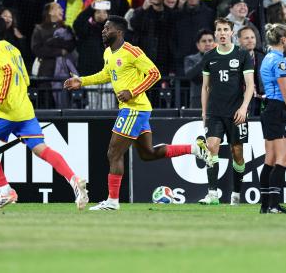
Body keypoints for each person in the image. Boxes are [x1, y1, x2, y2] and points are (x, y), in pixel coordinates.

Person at [63, 16, 210, 211]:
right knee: (147, 153)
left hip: (134, 108)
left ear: (119, 32)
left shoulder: (132, 51)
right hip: (136, 109)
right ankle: (194, 148)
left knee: (113, 153)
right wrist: (81, 81)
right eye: (104, 28)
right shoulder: (108, 52)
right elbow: (106, 74)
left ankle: (113, 202)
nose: (103, 31)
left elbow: (154, 74)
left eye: (107, 28)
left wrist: (132, 92)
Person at [0, 15, 88, 211]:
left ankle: (5, 191)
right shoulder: (13, 49)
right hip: (25, 109)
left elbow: (9, 72)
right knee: (41, 149)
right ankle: (73, 178)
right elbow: (24, 79)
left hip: (6, 111)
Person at [199, 18, 255, 206]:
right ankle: (212, 194)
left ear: (232, 33)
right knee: (211, 147)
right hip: (215, 112)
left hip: (236, 113)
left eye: (225, 29)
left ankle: (236, 194)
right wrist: (204, 113)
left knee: (237, 152)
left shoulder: (242, 55)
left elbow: (250, 84)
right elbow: (205, 88)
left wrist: (244, 107)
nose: (222, 33)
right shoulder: (209, 57)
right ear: (215, 33)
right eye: (219, 30)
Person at [259, 23, 286, 214]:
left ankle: (265, 205)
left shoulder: (266, 58)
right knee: (284, 158)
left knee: (270, 159)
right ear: (283, 39)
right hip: (279, 110)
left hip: (269, 108)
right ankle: (274, 204)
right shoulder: (280, 62)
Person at [184, 29, 215, 108]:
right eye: (204, 41)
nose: (207, 43)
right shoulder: (190, 59)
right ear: (198, 45)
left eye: (210, 40)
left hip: (219, 99)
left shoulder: (222, 58)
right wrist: (204, 60)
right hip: (198, 101)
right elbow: (189, 75)